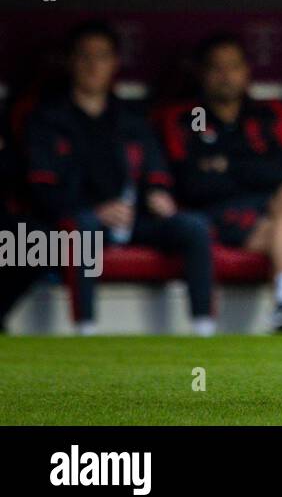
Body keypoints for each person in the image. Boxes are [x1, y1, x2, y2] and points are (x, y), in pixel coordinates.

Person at [26, 22, 215, 336]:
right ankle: (85, 329)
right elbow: (42, 189)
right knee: (83, 226)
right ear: (71, 62)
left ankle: (204, 328)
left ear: (114, 63)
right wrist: (96, 210)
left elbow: (156, 172)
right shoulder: (48, 118)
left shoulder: (130, 117)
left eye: (101, 57)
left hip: (134, 219)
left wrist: (158, 193)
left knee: (193, 226)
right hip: (79, 221)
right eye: (84, 56)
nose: (92, 65)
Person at [158, 35, 282, 333]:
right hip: (212, 219)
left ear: (246, 71)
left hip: (270, 212)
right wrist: (254, 168)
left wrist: (226, 165)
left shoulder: (272, 114)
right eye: (216, 68)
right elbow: (192, 184)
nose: (226, 76)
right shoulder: (182, 118)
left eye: (233, 67)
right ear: (202, 74)